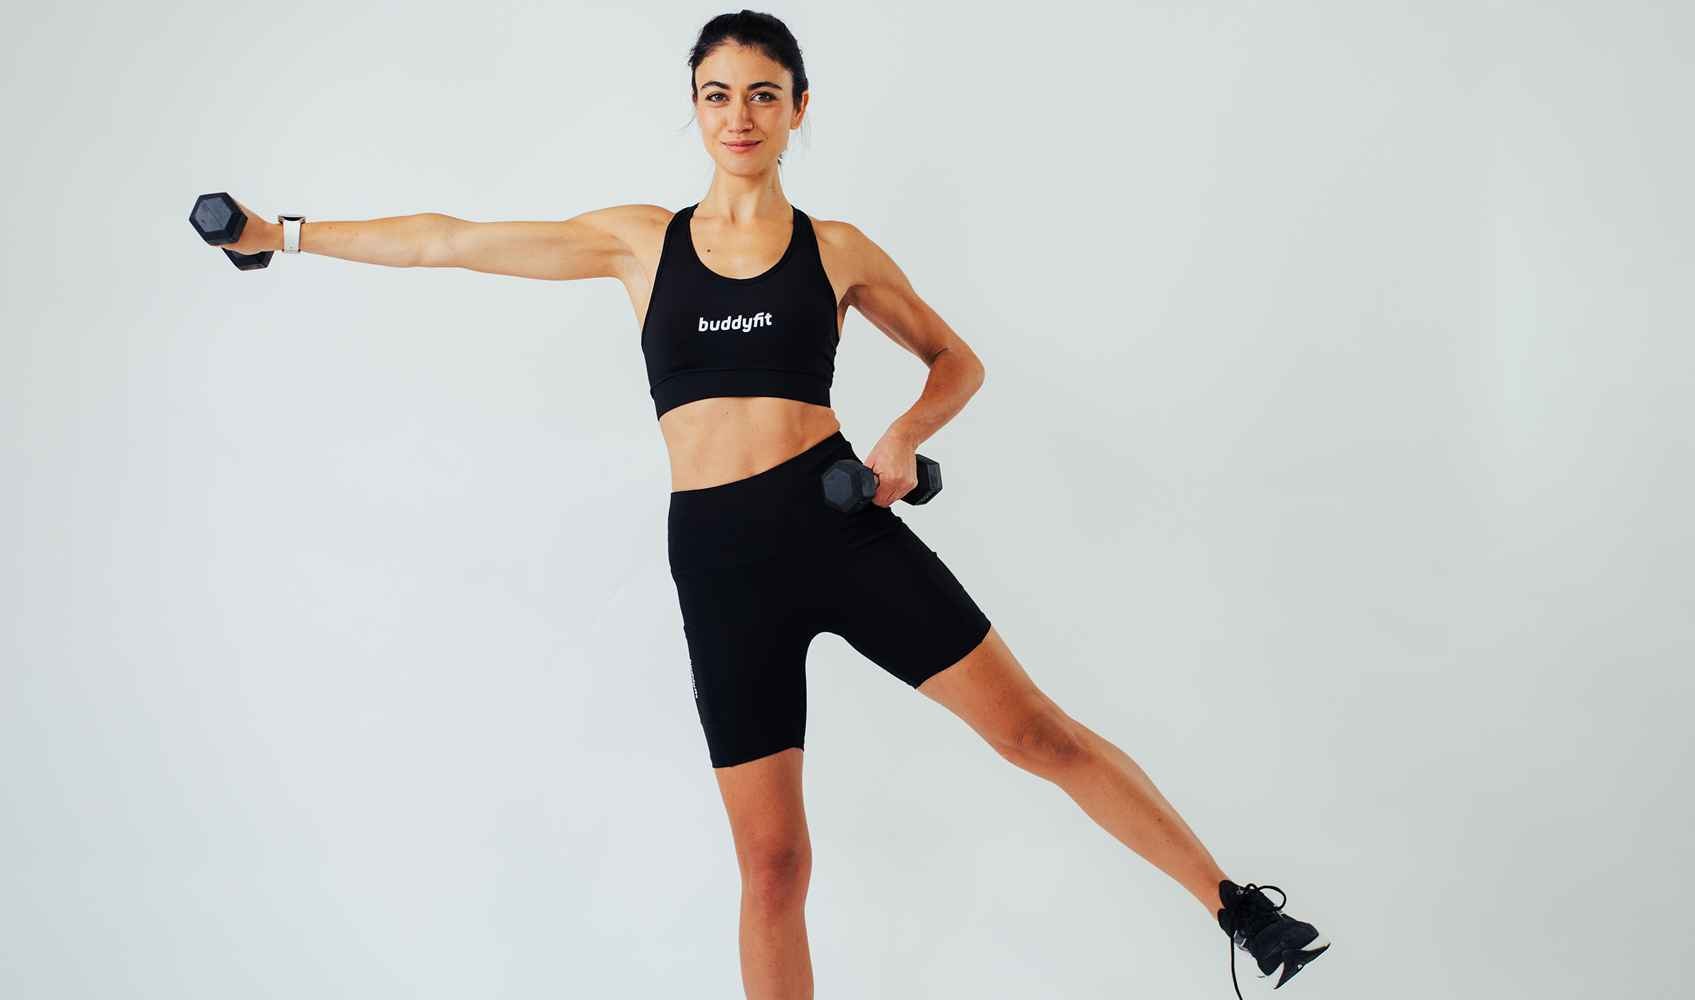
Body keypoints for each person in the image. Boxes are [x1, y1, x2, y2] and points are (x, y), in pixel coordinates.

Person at [204, 10, 1330, 998]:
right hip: (719, 559)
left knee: (1034, 732)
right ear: (692, 108)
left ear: (798, 108)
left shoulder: (835, 250)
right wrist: (282, 236)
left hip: (837, 525)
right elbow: (449, 240)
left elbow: (956, 362)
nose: (737, 116)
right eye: (715, 95)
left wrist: (901, 438)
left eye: (760, 94)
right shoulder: (638, 241)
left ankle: (1238, 908)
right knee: (774, 863)